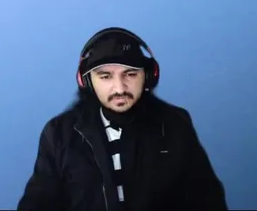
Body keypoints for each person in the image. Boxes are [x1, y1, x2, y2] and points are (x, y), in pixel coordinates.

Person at [17, 26, 227, 211]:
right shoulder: (59, 134)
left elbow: (208, 201)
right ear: (86, 81)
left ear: (148, 76)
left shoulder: (175, 125)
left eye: (130, 74)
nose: (119, 88)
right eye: (105, 76)